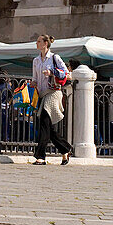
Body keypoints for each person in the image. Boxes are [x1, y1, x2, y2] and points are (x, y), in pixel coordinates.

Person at [30, 34, 72, 165]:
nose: (36, 43)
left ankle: (40, 156)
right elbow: (35, 79)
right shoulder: (36, 61)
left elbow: (67, 74)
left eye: (38, 41)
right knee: (48, 126)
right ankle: (65, 149)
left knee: (43, 122)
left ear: (45, 44)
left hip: (53, 93)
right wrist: (32, 83)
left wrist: (51, 73)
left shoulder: (55, 57)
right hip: (42, 94)